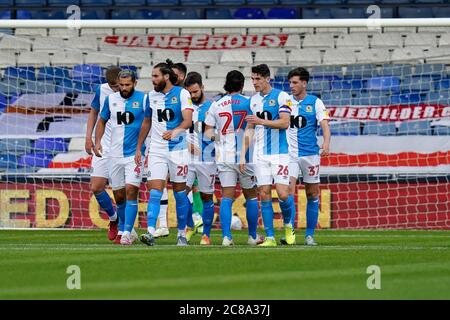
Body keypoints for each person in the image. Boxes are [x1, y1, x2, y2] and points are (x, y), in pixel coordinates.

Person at [135, 59, 194, 246]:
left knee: (179, 193)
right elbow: (146, 122)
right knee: (155, 190)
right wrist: (139, 147)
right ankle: (151, 232)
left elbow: (188, 120)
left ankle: (182, 234)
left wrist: (174, 132)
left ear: (166, 77)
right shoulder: (150, 97)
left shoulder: (183, 94)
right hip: (157, 150)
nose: (152, 80)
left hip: (178, 150)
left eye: (155, 76)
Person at [205, 70, 263, 246]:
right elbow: (256, 126)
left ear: (226, 84)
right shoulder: (250, 103)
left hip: (224, 156)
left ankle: (226, 237)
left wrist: (219, 137)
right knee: (251, 196)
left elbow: (208, 132)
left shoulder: (216, 105)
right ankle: (252, 237)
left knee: (227, 196)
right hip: (246, 156)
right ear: (242, 85)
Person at [240, 64, 294, 247]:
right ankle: (270, 237)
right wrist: (242, 155)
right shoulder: (252, 101)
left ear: (267, 79)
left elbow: (285, 123)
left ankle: (288, 226)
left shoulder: (281, 96)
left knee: (283, 194)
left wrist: (261, 121)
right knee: (264, 194)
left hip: (280, 153)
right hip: (260, 154)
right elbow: (249, 128)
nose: (254, 82)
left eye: (258, 79)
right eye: (252, 79)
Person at [94, 70, 147, 245]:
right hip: (114, 155)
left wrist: (142, 147)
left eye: (128, 85)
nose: (124, 88)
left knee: (132, 190)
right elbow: (101, 120)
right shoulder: (111, 100)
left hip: (134, 155)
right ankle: (129, 229)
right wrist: (98, 140)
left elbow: (150, 122)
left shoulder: (144, 99)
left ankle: (125, 233)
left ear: (135, 83)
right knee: (119, 196)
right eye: (122, 85)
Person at [283, 67, 331, 246]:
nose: (291, 86)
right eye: (290, 82)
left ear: (304, 83)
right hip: (290, 155)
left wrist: (326, 143)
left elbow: (325, 125)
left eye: (295, 82)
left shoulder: (316, 102)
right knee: (286, 192)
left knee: (312, 193)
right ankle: (290, 231)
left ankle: (309, 235)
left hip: (310, 154)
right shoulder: (286, 102)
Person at [85, 66, 123, 243]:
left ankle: (125, 228)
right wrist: (89, 137)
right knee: (96, 187)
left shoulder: (132, 93)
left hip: (122, 148)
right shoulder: (101, 90)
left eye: (118, 86)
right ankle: (114, 218)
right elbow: (94, 112)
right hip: (103, 146)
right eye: (112, 86)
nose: (116, 89)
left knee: (120, 192)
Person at [183, 71, 216, 245]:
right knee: (181, 194)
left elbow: (219, 134)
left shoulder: (213, 107)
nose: (192, 96)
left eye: (195, 92)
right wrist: (185, 144)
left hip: (206, 159)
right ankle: (191, 225)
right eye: (189, 93)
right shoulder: (183, 107)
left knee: (206, 197)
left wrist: (211, 139)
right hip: (186, 159)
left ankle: (206, 235)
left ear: (202, 88)